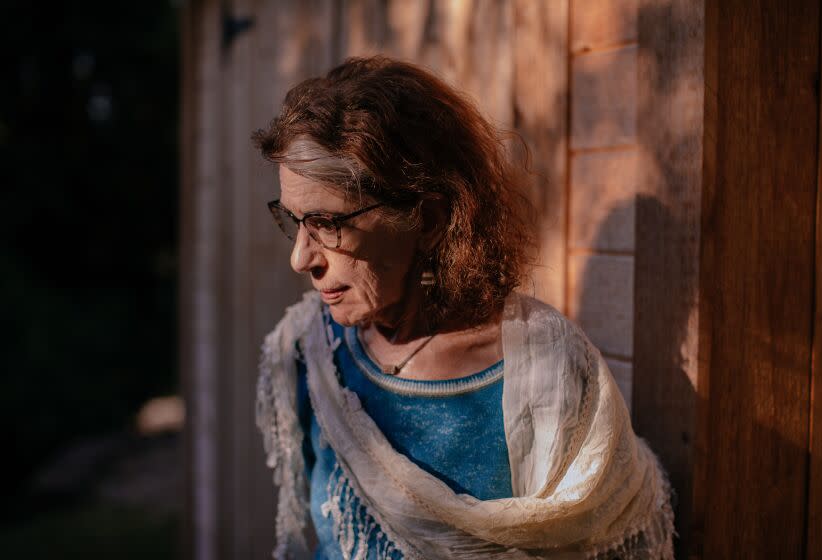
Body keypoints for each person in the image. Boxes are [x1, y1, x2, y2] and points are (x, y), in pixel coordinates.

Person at [254, 56, 674, 560]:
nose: (300, 257)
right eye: (293, 220)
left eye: (326, 223)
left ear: (428, 219)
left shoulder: (541, 369)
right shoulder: (312, 353)